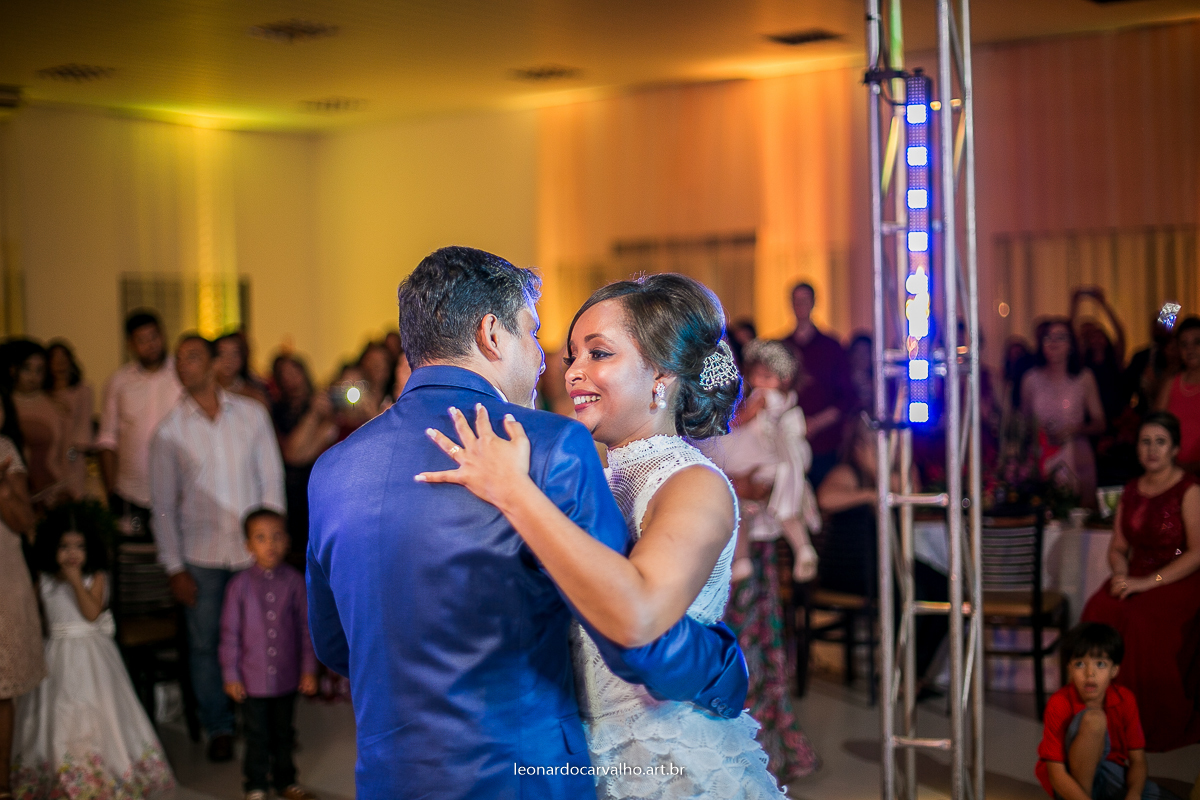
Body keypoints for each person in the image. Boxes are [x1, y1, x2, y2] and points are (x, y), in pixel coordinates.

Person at [307, 247, 749, 799]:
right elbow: (635, 640)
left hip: (398, 773)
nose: (560, 367)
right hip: (529, 767)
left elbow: (336, 644)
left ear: (662, 376)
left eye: (598, 353)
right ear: (493, 335)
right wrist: (727, 668)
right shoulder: (551, 448)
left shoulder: (332, 467)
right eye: (544, 340)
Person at [417, 271, 787, 798]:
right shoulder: (590, 476)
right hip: (574, 754)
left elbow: (640, 615)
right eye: (573, 356)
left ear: (661, 375)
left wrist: (515, 493)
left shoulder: (694, 483)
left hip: (663, 761)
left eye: (599, 353)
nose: (573, 372)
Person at [150, 334, 286, 762]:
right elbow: (163, 506)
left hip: (252, 553)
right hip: (201, 556)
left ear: (213, 363)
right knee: (206, 644)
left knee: (261, 638)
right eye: (178, 360)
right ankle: (219, 725)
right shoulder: (168, 431)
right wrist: (174, 566)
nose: (183, 366)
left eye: (192, 357)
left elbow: (271, 482)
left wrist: (273, 544)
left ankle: (263, 723)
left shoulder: (250, 414)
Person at [701, 338, 821, 784]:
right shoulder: (707, 417)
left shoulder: (765, 414)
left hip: (752, 544)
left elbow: (771, 477)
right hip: (712, 546)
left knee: (754, 641)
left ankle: (761, 750)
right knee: (727, 642)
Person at [11, 503, 173, 798]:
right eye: (64, 546)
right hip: (55, 654)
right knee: (59, 712)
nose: (72, 554)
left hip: (92, 655)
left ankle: (101, 773)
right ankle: (60, 775)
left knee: (95, 708)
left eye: (80, 546)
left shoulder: (95, 577)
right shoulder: (45, 580)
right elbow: (35, 617)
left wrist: (76, 582)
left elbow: (91, 613)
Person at [1081, 411, 1200, 752]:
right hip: (1136, 574)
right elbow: (1118, 547)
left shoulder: (1189, 489)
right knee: (1098, 608)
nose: (1152, 449)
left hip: (1179, 576)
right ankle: (1096, 713)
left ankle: (1138, 722)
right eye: (1145, 442)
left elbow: (1197, 552)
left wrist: (1149, 581)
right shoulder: (1132, 489)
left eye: (1160, 442)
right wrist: (1121, 573)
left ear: (1174, 448)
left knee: (1140, 620)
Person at [817, 415, 948, 683]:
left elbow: (912, 494)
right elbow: (826, 499)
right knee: (910, 592)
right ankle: (893, 673)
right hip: (849, 568)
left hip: (888, 562)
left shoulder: (900, 472)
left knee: (946, 590)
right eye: (871, 440)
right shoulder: (847, 472)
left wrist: (878, 475)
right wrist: (869, 494)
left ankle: (914, 674)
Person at [220, 508, 318, 800]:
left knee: (284, 733)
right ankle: (256, 784)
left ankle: (286, 781)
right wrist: (231, 675)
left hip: (287, 677)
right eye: (261, 538)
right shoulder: (238, 586)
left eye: (277, 536)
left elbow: (307, 630)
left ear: (287, 541)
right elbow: (229, 634)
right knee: (256, 735)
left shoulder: (296, 582)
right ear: (248, 545)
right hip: (251, 680)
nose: (270, 544)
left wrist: (308, 670)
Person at [1036, 623, 1171, 800]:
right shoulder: (1059, 702)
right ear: (1069, 668)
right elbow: (1056, 773)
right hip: (1070, 782)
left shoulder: (1125, 699)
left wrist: (1134, 794)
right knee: (1094, 719)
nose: (1089, 673)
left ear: (1114, 670)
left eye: (1100, 664)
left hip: (1111, 773)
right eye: (1079, 664)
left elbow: (1138, 760)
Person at [96, 310, 183, 536]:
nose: (151, 345)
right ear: (131, 344)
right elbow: (107, 439)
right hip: (131, 490)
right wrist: (111, 490)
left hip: (179, 489)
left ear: (163, 335)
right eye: (142, 340)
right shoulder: (119, 382)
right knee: (134, 551)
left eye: (154, 337)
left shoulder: (182, 375)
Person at [0, 397, 43, 800]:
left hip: (4, 575)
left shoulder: (7, 451)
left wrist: (1, 488)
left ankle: (2, 785)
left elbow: (25, 521)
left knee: (2, 688)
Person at [1020, 318, 1106, 506]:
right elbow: (1023, 422)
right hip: (1041, 456)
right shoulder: (1030, 379)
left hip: (1076, 455)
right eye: (1048, 337)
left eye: (1060, 337)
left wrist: (1074, 429)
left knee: (1077, 512)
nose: (1054, 343)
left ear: (1071, 345)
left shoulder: (1084, 378)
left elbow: (1100, 423)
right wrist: (1038, 432)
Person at [779, 282, 852, 490]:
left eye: (805, 300)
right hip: (787, 441)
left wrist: (815, 423)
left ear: (813, 303)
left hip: (825, 443)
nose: (800, 305)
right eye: (796, 301)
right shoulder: (782, 347)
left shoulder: (832, 347)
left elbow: (845, 397)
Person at [270, 355, 337, 563]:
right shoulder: (279, 410)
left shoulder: (329, 405)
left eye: (294, 371)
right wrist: (314, 414)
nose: (290, 379)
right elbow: (293, 454)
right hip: (296, 491)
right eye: (283, 374)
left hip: (325, 487)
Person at [5, 340, 67, 504]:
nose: (33, 376)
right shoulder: (4, 406)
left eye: (40, 370)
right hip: (12, 492)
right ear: (13, 369)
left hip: (51, 489)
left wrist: (65, 488)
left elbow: (63, 454)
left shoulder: (55, 406)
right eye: (27, 368)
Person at [45, 341, 94, 501]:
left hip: (72, 452)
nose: (59, 363)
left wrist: (76, 448)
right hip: (48, 452)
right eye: (55, 359)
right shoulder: (44, 394)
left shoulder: (82, 390)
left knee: (74, 491)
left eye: (63, 358)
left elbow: (84, 425)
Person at [1156, 316, 1200, 475]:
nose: (1190, 349)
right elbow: (1156, 428)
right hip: (1172, 471)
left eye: (1197, 342)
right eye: (1184, 344)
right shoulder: (1171, 384)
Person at [215, 332, 271, 408]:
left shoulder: (254, 396)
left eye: (234, 354)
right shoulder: (203, 394)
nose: (228, 360)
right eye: (222, 353)